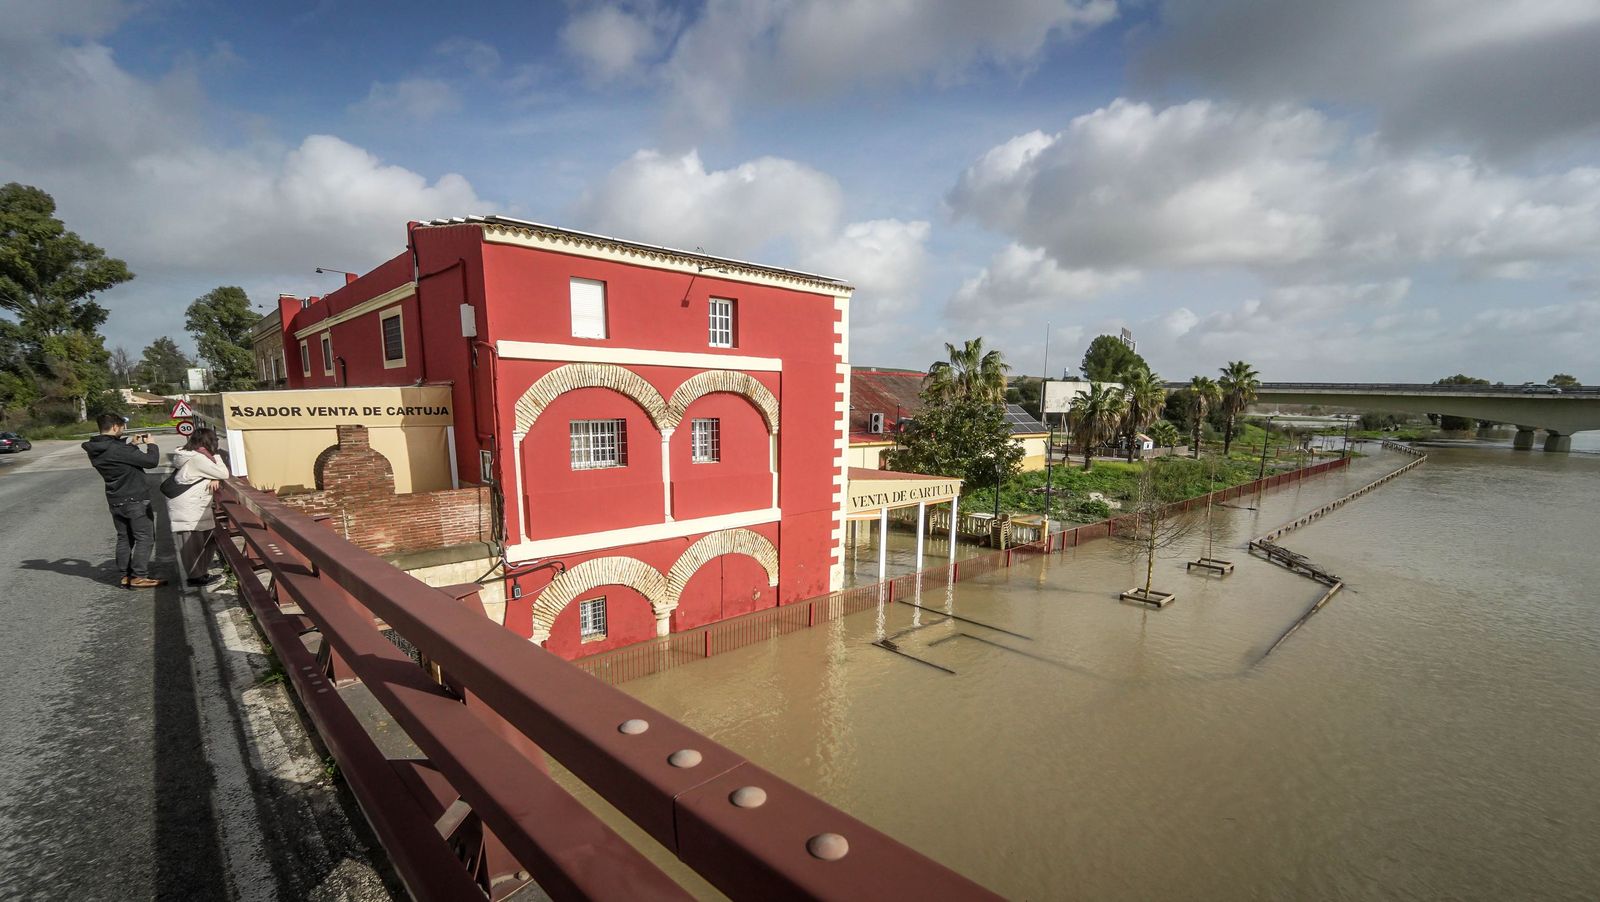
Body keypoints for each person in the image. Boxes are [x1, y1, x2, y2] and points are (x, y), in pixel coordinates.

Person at [83, 413, 164, 588]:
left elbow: (117, 457)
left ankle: (125, 575)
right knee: (145, 537)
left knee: (124, 538)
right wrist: (152, 445)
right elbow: (151, 461)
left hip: (115, 499)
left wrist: (132, 445)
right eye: (122, 427)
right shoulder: (119, 450)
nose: (124, 430)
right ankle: (139, 576)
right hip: (135, 499)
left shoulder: (96, 448)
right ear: (114, 427)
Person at [167, 427, 230, 587]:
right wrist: (217, 458)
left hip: (192, 503)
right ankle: (196, 577)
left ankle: (200, 574)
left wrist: (213, 476)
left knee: (205, 539)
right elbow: (223, 473)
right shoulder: (198, 458)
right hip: (190, 506)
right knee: (193, 542)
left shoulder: (193, 455)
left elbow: (212, 474)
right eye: (215, 440)